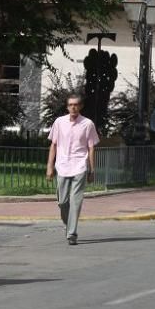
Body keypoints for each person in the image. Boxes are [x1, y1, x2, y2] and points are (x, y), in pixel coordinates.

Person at [46, 94, 100, 245]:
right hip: (62, 166)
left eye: (76, 105)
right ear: (67, 107)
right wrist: (49, 166)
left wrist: (91, 169)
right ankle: (68, 224)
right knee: (62, 202)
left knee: (76, 201)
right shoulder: (59, 122)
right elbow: (54, 145)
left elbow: (91, 147)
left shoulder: (87, 124)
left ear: (80, 106)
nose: (73, 107)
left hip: (79, 166)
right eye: (70, 105)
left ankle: (72, 233)